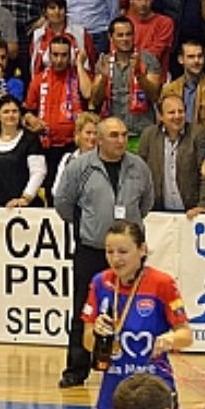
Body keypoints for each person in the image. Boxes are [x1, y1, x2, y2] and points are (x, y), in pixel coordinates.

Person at [53, 119, 158, 389]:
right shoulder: (80, 167)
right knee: (83, 309)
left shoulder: (139, 167)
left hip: (130, 255)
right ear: (99, 139)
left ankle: (132, 366)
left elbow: (146, 203)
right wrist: (90, 225)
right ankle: (76, 369)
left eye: (124, 135)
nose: (121, 140)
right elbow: (63, 203)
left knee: (133, 308)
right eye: (114, 135)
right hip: (92, 249)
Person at [84, 219, 193, 409]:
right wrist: (97, 334)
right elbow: (86, 342)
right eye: (109, 252)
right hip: (113, 395)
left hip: (154, 394)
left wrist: (169, 339)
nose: (115, 259)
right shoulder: (100, 283)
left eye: (123, 251)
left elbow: (186, 334)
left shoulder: (161, 283)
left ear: (142, 250)